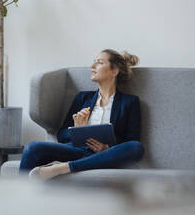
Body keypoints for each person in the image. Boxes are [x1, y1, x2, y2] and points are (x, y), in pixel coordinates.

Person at [19, 49, 145, 180]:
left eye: (99, 63)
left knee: (136, 148)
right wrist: (77, 129)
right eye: (93, 62)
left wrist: (107, 148)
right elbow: (61, 136)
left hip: (107, 154)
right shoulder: (83, 98)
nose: (92, 66)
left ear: (114, 71)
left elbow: (132, 139)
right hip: (76, 151)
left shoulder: (130, 102)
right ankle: (21, 196)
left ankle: (63, 168)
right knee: (32, 148)